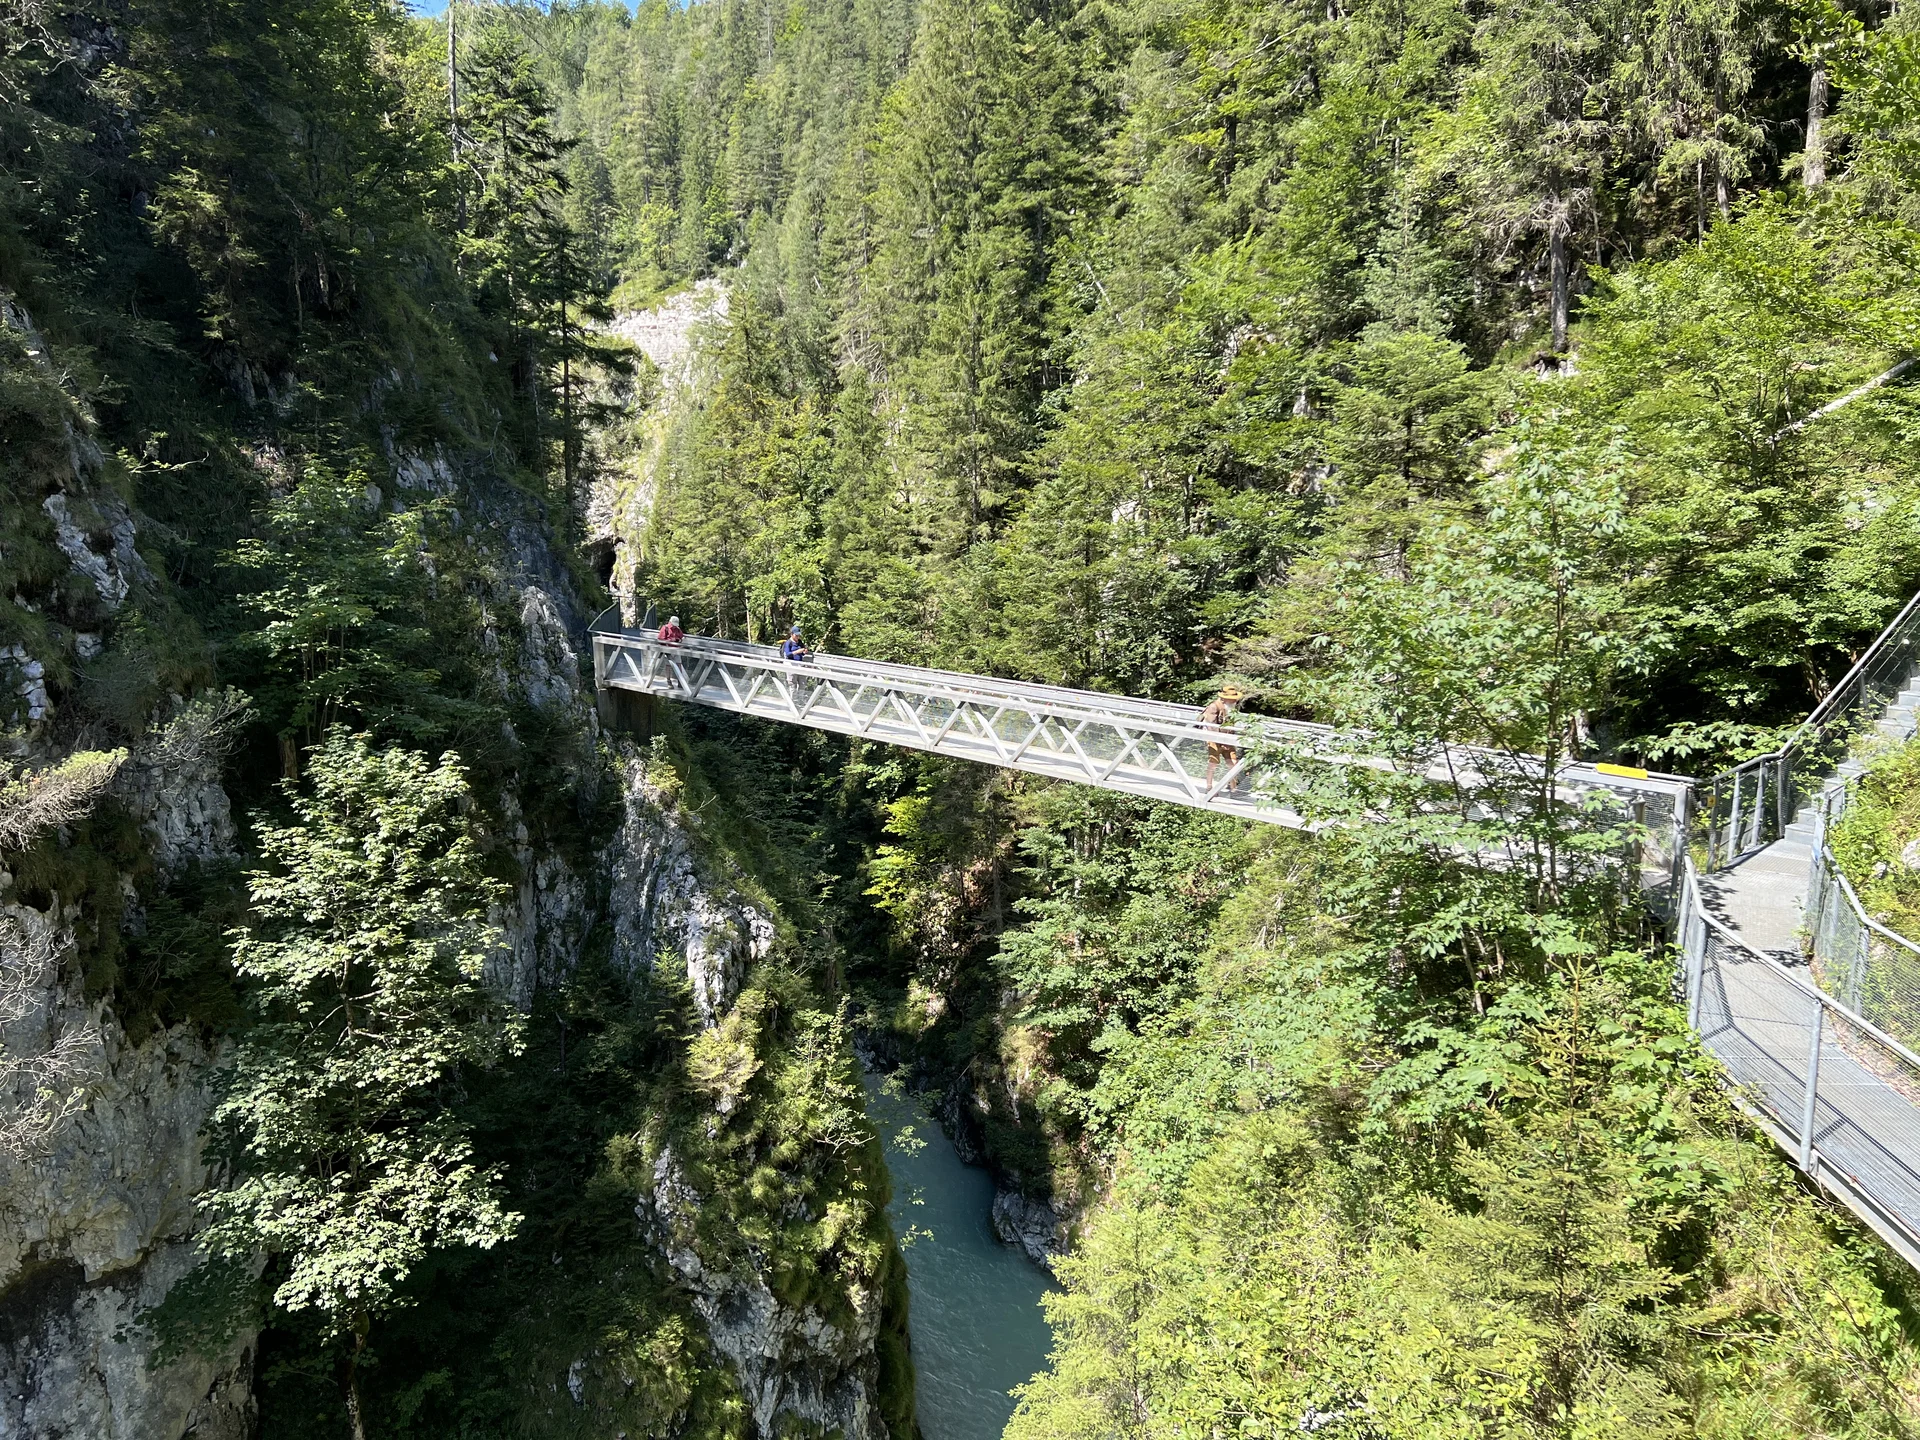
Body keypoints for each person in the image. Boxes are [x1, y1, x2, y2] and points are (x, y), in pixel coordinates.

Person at [1202, 686, 1245, 791]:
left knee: (1233, 762)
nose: (1235, 700)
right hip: (1214, 738)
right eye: (1232, 698)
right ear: (1224, 698)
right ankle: (1209, 786)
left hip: (1227, 739)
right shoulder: (1214, 707)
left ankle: (1233, 788)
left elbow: (1232, 725)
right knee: (1213, 762)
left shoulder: (1232, 707)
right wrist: (1221, 741)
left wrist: (1230, 739)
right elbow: (1211, 726)